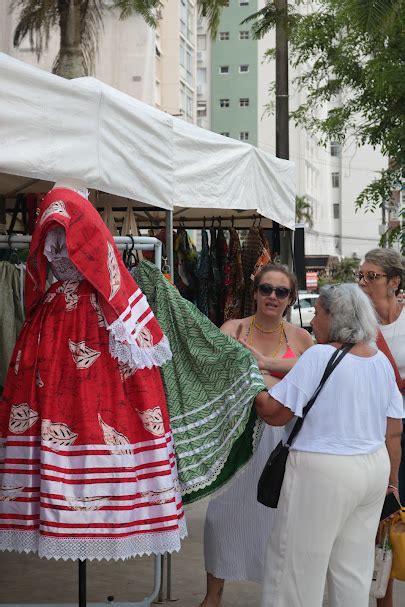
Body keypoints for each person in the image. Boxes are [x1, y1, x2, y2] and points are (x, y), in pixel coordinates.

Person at [0, 187, 186, 561]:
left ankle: (98, 507)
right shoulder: (71, 217)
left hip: (70, 323)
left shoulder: (62, 218)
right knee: (69, 401)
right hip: (70, 325)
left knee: (94, 403)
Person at [254, 284, 403, 607]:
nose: (313, 323)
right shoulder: (378, 360)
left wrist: (254, 385)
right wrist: (392, 481)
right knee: (352, 569)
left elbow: (275, 413)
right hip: (373, 470)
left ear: (334, 317)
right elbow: (393, 431)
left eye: (318, 313)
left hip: (322, 470)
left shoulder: (320, 356)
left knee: (294, 569)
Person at [200, 263, 313, 607]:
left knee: (278, 520)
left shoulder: (301, 338)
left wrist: (264, 368)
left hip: (283, 438)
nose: (272, 297)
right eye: (266, 289)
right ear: (255, 292)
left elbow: (316, 378)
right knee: (223, 517)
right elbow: (212, 378)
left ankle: (276, 595)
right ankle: (213, 595)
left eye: (281, 292)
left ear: (290, 298)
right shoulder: (232, 330)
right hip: (238, 436)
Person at [356, 248, 405, 607]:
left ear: (394, 281)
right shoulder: (357, 323)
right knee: (382, 515)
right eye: (362, 276)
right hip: (377, 428)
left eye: (372, 276)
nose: (364, 282)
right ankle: (382, 601)